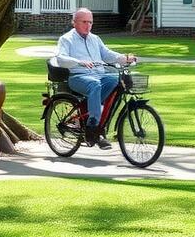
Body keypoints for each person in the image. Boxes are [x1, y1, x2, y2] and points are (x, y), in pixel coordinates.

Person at [53, 8, 137, 149]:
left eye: (90, 22)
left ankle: (101, 122)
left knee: (119, 80)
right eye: (84, 22)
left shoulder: (95, 39)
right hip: (78, 76)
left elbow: (107, 54)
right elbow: (61, 58)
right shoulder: (66, 39)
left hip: (99, 75)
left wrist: (125, 58)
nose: (88, 25)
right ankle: (93, 128)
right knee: (94, 85)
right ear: (74, 23)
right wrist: (79, 62)